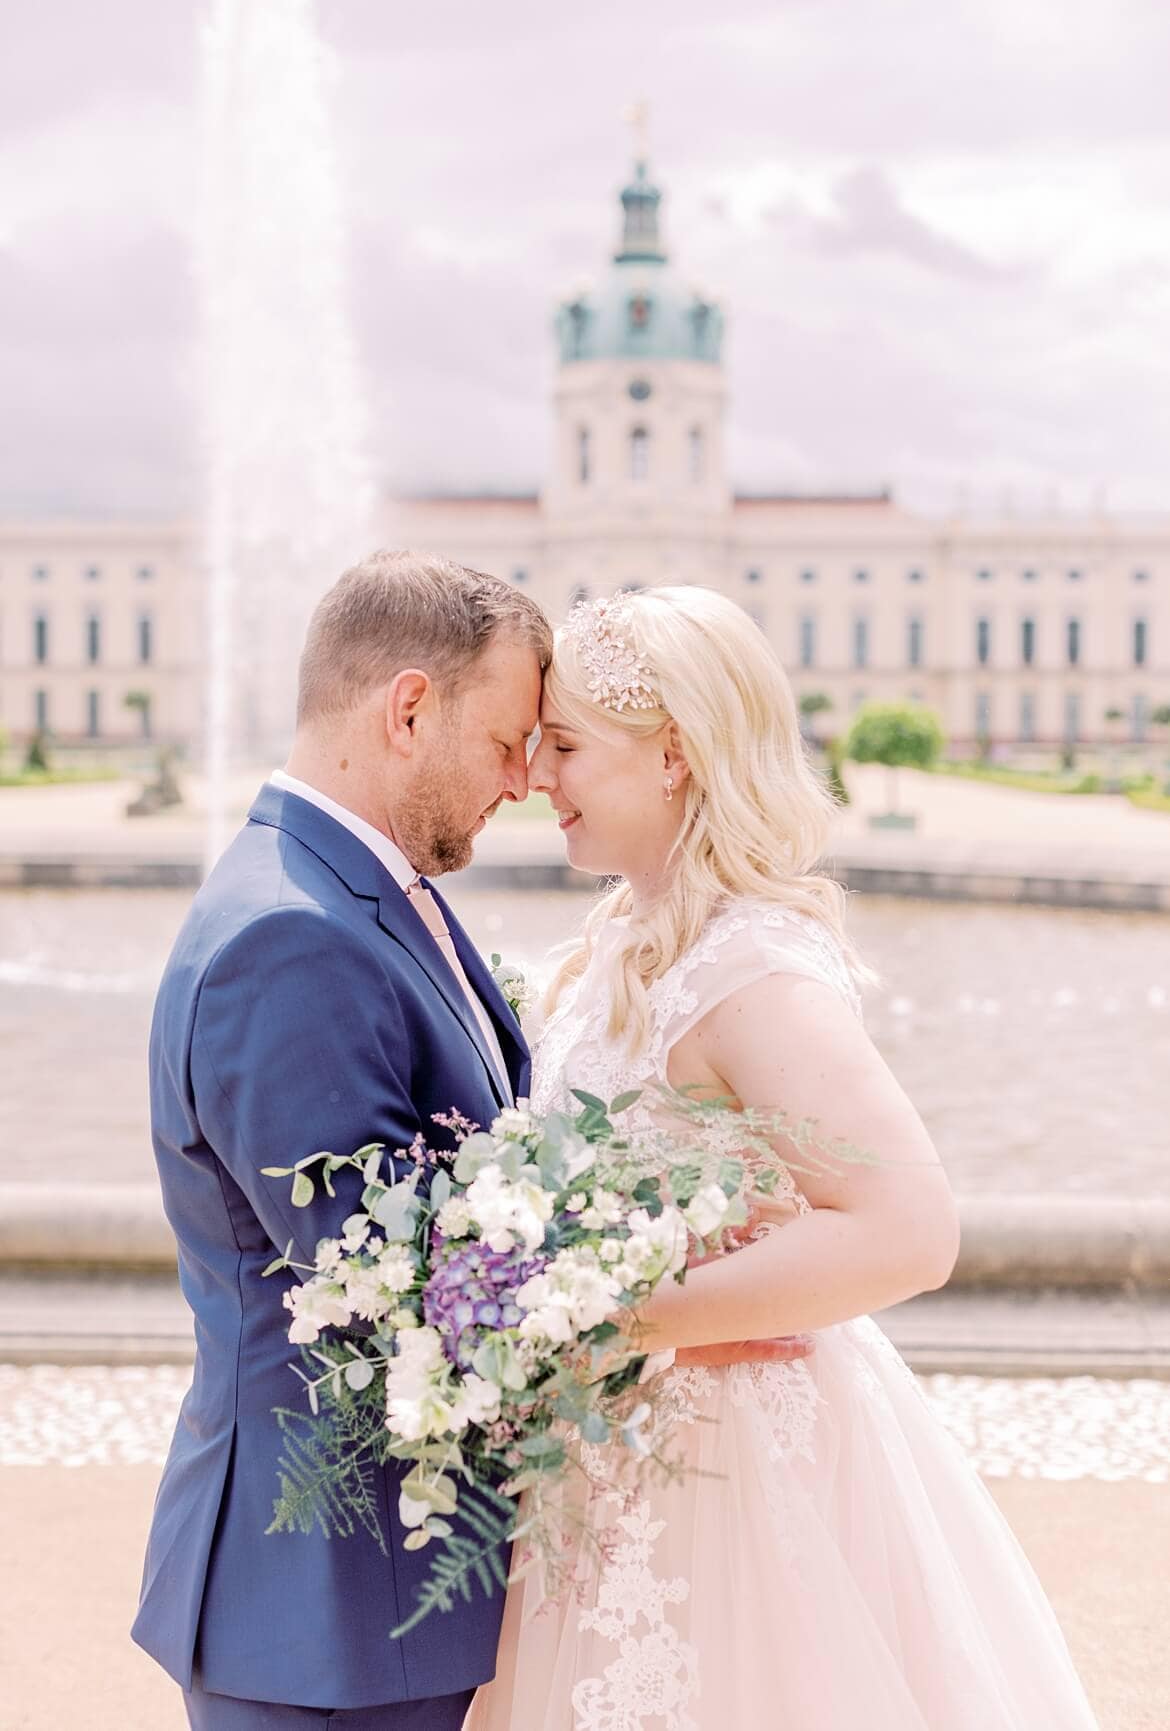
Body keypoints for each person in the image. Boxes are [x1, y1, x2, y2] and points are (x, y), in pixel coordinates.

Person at [132, 552, 810, 1730]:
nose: (523, 780)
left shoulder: (355, 894)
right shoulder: (289, 942)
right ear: (407, 709)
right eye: (507, 742)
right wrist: (664, 1263)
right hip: (332, 1610)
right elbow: (394, 1294)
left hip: (383, 1594)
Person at [465, 586, 1101, 1730]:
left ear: (673, 757)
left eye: (563, 746)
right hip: (615, 1455)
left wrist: (625, 1317)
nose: (534, 777)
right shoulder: (623, 931)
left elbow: (910, 1229)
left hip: (737, 1467)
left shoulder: (749, 966)